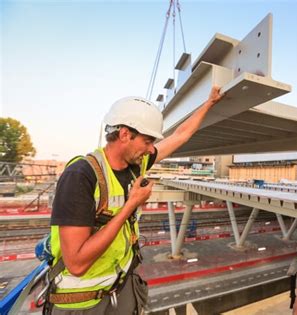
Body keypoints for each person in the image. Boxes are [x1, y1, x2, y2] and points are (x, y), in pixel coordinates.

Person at [45, 87, 223, 314]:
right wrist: (131, 204)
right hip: (83, 303)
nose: (151, 149)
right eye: (148, 141)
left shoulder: (135, 165)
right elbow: (77, 263)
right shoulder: (81, 176)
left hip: (120, 287)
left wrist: (209, 103)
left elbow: (180, 135)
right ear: (125, 135)